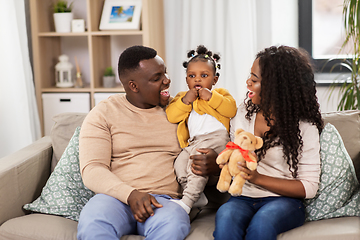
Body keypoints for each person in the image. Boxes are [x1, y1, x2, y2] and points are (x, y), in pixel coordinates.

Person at [77, 45, 191, 240]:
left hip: (162, 202)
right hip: (115, 199)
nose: (167, 81)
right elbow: (92, 169)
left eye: (165, 73)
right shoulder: (104, 112)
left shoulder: (182, 110)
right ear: (133, 86)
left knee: (174, 225)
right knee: (92, 223)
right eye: (157, 78)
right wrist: (131, 195)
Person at [213, 45, 324, 240]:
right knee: (225, 219)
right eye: (250, 76)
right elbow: (234, 154)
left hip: (284, 202)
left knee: (262, 224)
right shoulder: (243, 112)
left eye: (254, 80)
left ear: (276, 87)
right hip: (242, 197)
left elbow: (309, 187)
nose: (247, 82)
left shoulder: (304, 125)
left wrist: (257, 178)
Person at [166, 45, 237, 213]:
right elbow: (172, 116)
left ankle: (187, 202)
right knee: (180, 164)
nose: (197, 80)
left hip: (216, 139)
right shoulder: (182, 98)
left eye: (204, 76)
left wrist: (212, 97)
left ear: (214, 80)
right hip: (193, 142)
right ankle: (197, 196)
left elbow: (231, 110)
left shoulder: (220, 94)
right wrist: (185, 102)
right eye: (192, 76)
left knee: (198, 164)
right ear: (186, 80)